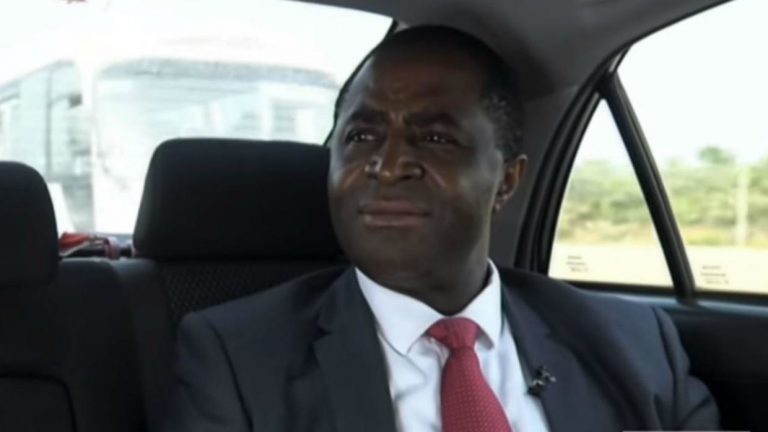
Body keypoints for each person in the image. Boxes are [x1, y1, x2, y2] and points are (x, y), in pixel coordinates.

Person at [163, 26, 720, 432]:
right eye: (361, 137)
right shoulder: (239, 358)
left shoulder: (633, 343)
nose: (387, 165)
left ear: (506, 181)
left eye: (434, 138)